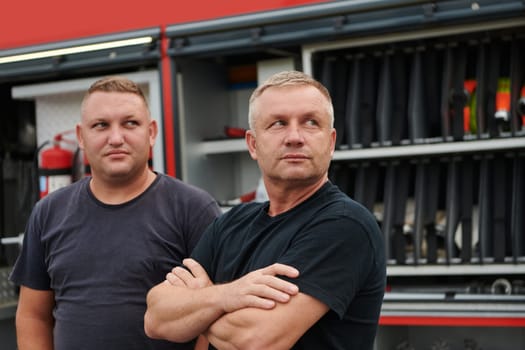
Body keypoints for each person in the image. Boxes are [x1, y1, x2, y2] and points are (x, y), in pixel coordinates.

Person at [144, 70, 386, 349]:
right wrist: (227, 296)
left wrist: (200, 303)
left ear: (330, 142)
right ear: (253, 144)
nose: (294, 137)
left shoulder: (345, 225)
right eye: (278, 124)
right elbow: (156, 318)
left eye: (310, 122)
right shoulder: (230, 224)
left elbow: (253, 340)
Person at [9, 76, 222, 350]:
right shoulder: (49, 212)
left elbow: (214, 313)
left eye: (130, 123)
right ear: (81, 136)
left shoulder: (193, 209)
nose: (116, 138)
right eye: (101, 125)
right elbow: (32, 316)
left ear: (152, 132)